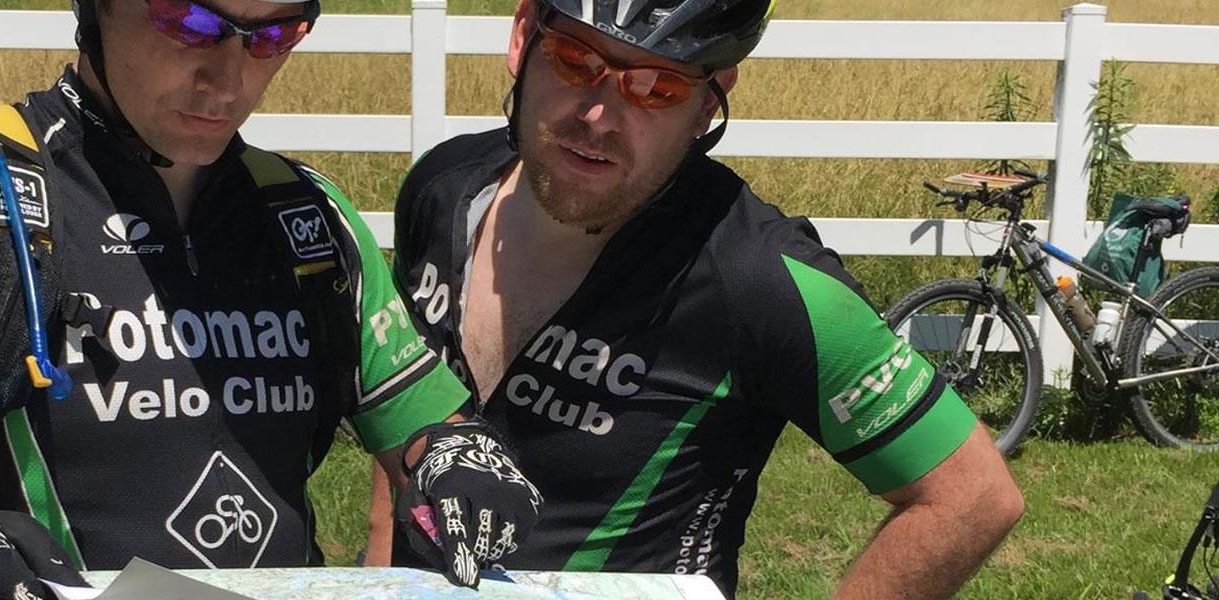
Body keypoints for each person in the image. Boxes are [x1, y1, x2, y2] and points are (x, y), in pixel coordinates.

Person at [0, 0, 542, 597]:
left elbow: (425, 437)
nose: (228, 78)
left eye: (274, 32)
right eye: (189, 22)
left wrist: (458, 456)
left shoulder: (308, 220)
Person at [365, 0, 1025, 597]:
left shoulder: (759, 279)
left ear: (709, 103)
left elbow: (970, 496)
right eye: (576, 59)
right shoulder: (441, 189)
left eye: (658, 88)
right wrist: (374, 581)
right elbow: (408, 413)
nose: (599, 116)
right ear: (521, 36)